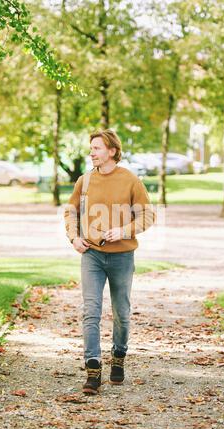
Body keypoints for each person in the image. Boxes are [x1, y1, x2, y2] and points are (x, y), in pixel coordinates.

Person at [64, 129, 155, 395]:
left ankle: (119, 355)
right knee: (90, 310)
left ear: (112, 151)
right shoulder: (85, 180)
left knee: (121, 314)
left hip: (122, 257)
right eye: (91, 148)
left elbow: (148, 216)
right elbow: (71, 212)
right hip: (91, 255)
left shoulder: (130, 180)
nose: (91, 152)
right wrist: (73, 237)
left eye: (97, 148)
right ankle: (93, 369)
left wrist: (125, 230)